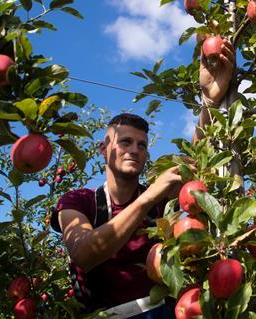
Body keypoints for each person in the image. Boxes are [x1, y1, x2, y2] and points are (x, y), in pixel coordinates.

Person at [50, 39, 235, 318]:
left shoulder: (159, 202)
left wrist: (209, 98)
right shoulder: (80, 200)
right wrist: (150, 197)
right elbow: (84, 253)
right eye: (125, 142)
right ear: (104, 148)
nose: (134, 150)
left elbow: (194, 159)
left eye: (142, 145)